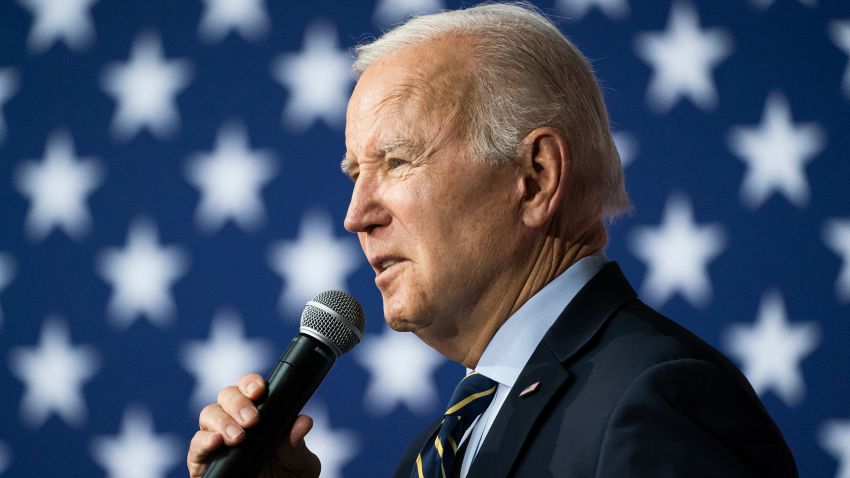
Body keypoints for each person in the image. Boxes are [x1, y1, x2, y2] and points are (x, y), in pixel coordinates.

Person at [187, 3, 799, 477]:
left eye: (396, 161)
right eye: (354, 175)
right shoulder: (438, 451)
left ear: (534, 179)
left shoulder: (657, 400)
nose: (356, 216)